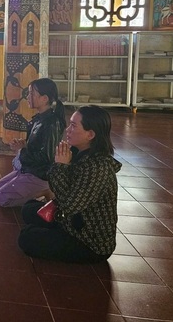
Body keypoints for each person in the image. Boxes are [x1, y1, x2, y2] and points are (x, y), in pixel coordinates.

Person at [18, 105, 122, 263]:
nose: (68, 129)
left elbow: (68, 206)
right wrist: (60, 166)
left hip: (88, 241)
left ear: (90, 134)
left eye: (73, 126)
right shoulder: (78, 153)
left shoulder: (97, 167)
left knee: (27, 237)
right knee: (28, 209)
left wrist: (60, 167)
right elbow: (58, 189)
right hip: (69, 222)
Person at [0, 78, 66, 207]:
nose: (27, 97)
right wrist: (24, 145)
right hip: (30, 168)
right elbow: (37, 146)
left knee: (1, 198)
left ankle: (43, 193)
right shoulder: (39, 118)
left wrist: (23, 150)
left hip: (40, 174)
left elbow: (47, 158)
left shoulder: (52, 123)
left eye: (32, 94)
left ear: (44, 99)